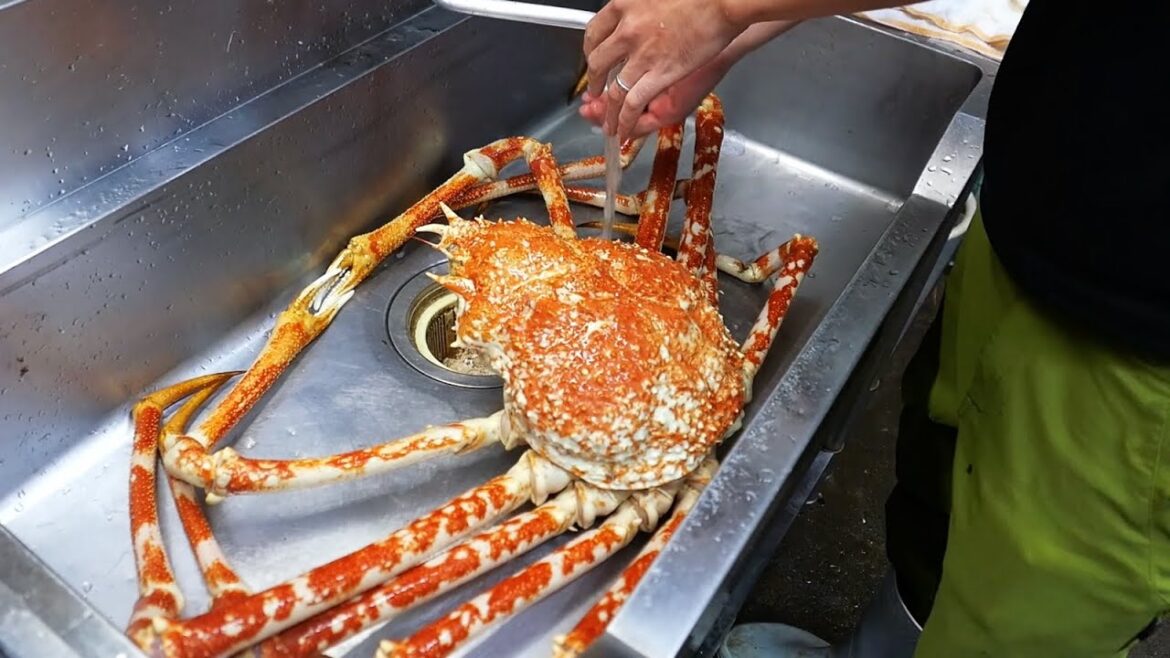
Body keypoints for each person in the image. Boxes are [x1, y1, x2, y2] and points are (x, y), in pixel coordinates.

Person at [579, 1, 1170, 656]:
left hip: (1143, 361)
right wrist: (736, 31)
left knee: (1027, 624)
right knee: (935, 493)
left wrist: (723, 11)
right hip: (1040, 218)